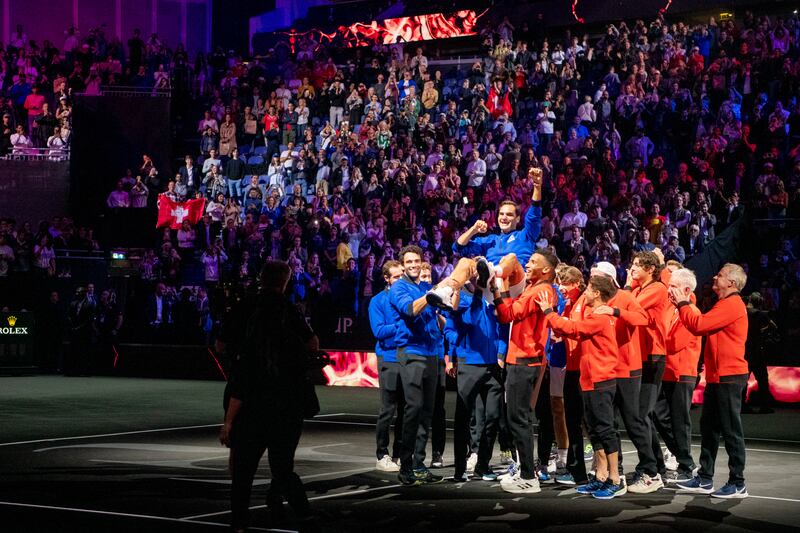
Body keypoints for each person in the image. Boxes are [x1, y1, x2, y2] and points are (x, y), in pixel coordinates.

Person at [219, 261, 320, 531]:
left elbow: (222, 347)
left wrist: (228, 421)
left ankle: (240, 523)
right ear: (285, 282)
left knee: (242, 471)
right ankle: (303, 516)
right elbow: (313, 344)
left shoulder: (244, 312)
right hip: (287, 405)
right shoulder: (290, 312)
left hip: (250, 404)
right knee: (284, 468)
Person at [537, 275, 626, 499]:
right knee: (594, 429)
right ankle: (601, 475)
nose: (585, 293)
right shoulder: (596, 315)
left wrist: (548, 311)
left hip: (601, 380)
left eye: (589, 290)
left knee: (604, 429)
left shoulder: (600, 317)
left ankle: (615, 478)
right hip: (589, 379)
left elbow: (572, 328)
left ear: (597, 294)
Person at [671, 263, 750, 499]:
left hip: (730, 376)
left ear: (732, 283)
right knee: (710, 429)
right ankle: (705, 478)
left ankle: (738, 482)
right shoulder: (724, 304)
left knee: (731, 430)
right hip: (718, 376)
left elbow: (699, 325)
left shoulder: (732, 304)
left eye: (722, 275)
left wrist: (683, 304)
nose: (716, 277)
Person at [491, 248, 559, 494]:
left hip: (525, 360)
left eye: (533, 262)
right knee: (517, 418)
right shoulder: (533, 288)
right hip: (520, 359)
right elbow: (508, 314)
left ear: (547, 270)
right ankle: (524, 471)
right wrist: (503, 289)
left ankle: (528, 476)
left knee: (519, 419)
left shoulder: (542, 289)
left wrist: (500, 286)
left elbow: (510, 314)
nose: (528, 265)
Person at [388, 245, 445, 485]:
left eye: (417, 261)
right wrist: (430, 297)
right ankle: (406, 464)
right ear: (402, 266)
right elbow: (410, 310)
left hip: (431, 354)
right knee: (412, 409)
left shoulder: (423, 287)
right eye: (409, 261)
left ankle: (419, 464)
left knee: (426, 412)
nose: (413, 265)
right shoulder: (399, 287)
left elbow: (441, 315)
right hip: (411, 352)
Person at [447, 271, 504, 482]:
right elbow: (458, 326)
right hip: (469, 364)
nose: (478, 281)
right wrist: (456, 347)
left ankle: (483, 465)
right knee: (464, 417)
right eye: (474, 277)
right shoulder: (461, 300)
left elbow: (504, 327)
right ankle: (460, 468)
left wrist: (501, 353)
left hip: (493, 367)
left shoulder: (493, 300)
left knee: (493, 418)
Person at [625, 250, 669, 493]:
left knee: (641, 415)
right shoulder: (640, 289)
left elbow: (632, 308)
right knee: (642, 415)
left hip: (653, 356)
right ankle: (655, 467)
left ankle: (651, 472)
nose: (632, 268)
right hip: (640, 357)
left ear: (650, 269)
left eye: (636, 265)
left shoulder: (657, 289)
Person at [658, 268, 702, 484]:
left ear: (685, 290)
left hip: (682, 372)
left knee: (679, 420)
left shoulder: (691, 311)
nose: (669, 289)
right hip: (667, 371)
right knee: (658, 414)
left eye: (673, 287)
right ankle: (682, 458)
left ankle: (686, 464)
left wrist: (657, 339)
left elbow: (675, 343)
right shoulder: (672, 309)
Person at [369, 259, 405, 472]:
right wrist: (402, 324)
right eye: (396, 276)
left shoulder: (408, 296)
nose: (401, 279)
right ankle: (382, 454)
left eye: (402, 275)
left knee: (405, 409)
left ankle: (400, 454)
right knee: (388, 409)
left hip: (407, 357)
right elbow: (379, 331)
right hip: (389, 357)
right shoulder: (377, 301)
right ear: (387, 278)